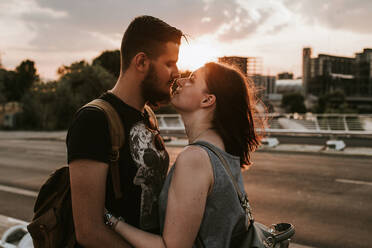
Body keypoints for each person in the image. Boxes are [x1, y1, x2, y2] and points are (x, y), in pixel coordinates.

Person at [104, 62, 264, 247]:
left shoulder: (195, 158)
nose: (180, 80)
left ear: (207, 100)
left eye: (192, 80)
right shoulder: (222, 153)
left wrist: (110, 220)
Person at [66, 15, 183, 247]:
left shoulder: (148, 115)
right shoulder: (94, 120)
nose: (177, 72)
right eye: (169, 63)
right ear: (141, 62)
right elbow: (89, 231)